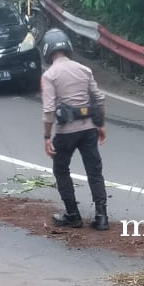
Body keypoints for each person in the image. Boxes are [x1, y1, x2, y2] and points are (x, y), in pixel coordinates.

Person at [40, 29, 110, 230]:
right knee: (94, 171)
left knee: (61, 170)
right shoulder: (84, 69)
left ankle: (73, 215)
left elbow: (49, 110)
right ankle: (101, 216)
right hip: (89, 129)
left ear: (47, 50)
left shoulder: (50, 75)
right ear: (68, 48)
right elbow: (99, 99)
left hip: (65, 133)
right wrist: (101, 125)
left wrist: (46, 137)